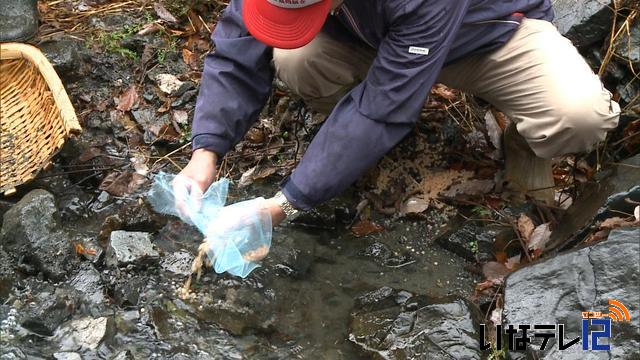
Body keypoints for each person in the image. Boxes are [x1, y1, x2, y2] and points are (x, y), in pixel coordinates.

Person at [177, 0, 620, 227]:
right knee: (296, 57)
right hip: (367, 35)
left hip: (488, 35)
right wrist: (205, 152)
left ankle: (525, 145)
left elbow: (382, 109)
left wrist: (286, 203)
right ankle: (347, 148)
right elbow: (237, 48)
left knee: (581, 114)